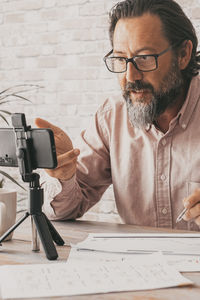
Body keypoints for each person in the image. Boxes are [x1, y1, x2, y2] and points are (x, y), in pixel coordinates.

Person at [36, 0, 200, 231]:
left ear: (183, 54)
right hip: (136, 265)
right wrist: (63, 176)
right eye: (121, 59)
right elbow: (64, 210)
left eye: (144, 58)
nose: (130, 76)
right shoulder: (111, 117)